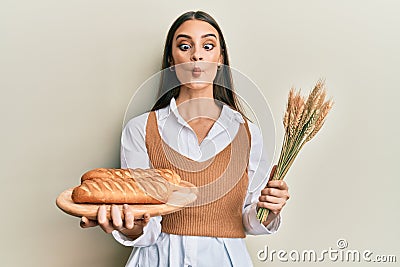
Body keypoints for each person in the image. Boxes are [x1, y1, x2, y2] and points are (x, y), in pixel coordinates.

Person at [80, 10, 290, 267]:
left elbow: (250, 220)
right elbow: (145, 225)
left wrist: (270, 210)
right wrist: (130, 227)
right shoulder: (141, 129)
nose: (197, 55)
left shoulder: (248, 134)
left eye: (208, 45)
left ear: (220, 58)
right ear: (172, 60)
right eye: (185, 46)